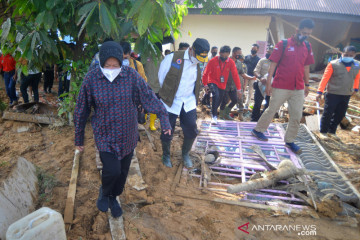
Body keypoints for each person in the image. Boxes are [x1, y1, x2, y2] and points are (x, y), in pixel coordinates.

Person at [74, 41, 171, 218]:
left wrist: (164, 118)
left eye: (115, 65)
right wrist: (78, 139)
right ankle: (104, 191)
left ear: (121, 62)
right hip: (105, 135)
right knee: (112, 170)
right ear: (101, 63)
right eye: (108, 65)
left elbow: (148, 97)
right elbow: (81, 109)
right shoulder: (92, 79)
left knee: (123, 173)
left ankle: (113, 197)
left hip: (128, 134)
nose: (112, 68)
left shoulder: (131, 76)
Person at [251, 18, 315, 154]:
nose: (306, 36)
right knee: (272, 109)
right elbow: (272, 64)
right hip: (281, 85)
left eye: (309, 34)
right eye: (304, 33)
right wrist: (269, 84)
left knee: (297, 115)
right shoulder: (283, 44)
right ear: (297, 31)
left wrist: (307, 84)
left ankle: (290, 140)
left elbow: (306, 66)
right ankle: (258, 130)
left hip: (298, 87)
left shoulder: (307, 47)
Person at [158, 38, 210, 168]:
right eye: (197, 56)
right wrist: (169, 93)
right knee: (167, 130)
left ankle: (185, 154)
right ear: (191, 49)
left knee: (191, 128)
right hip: (170, 101)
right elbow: (161, 77)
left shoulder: (199, 61)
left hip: (188, 101)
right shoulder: (173, 58)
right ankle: (166, 155)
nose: (198, 60)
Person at [316, 46, 360, 136]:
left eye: (351, 55)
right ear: (341, 53)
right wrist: (319, 91)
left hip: (346, 94)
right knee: (328, 113)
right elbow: (325, 78)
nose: (348, 56)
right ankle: (323, 132)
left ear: (354, 55)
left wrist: (355, 88)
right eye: (346, 54)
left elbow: (357, 77)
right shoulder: (333, 64)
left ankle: (332, 132)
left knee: (340, 114)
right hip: (333, 93)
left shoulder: (357, 64)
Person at [202, 45, 242, 124]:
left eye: (226, 56)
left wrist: (239, 89)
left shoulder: (231, 62)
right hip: (212, 81)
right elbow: (205, 73)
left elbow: (235, 75)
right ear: (219, 53)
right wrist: (205, 84)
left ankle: (213, 112)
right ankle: (214, 116)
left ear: (229, 54)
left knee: (219, 100)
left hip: (222, 84)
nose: (224, 58)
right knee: (215, 95)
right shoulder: (213, 61)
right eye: (223, 56)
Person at [219, 47, 255, 120]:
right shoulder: (226, 60)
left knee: (235, 100)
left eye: (240, 54)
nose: (240, 55)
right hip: (225, 85)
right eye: (238, 53)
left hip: (233, 86)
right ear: (233, 53)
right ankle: (221, 116)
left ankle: (226, 113)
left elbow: (242, 73)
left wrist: (251, 78)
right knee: (224, 101)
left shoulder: (239, 63)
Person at [144, 42, 164, 131]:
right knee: (144, 104)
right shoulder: (145, 57)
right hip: (146, 86)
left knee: (154, 106)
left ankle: (152, 124)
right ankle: (143, 121)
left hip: (157, 87)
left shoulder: (163, 59)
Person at [251, 47, 274, 122]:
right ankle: (254, 119)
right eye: (267, 52)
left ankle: (263, 119)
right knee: (257, 103)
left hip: (271, 86)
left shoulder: (277, 62)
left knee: (268, 104)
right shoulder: (262, 60)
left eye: (269, 52)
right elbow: (255, 71)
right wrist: (260, 77)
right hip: (260, 84)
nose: (267, 53)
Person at [244, 43, 261, 109]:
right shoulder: (246, 57)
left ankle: (246, 104)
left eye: (254, 49)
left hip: (253, 77)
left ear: (257, 50)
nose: (253, 50)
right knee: (242, 90)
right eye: (252, 49)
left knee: (250, 91)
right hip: (245, 76)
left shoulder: (258, 59)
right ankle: (239, 104)